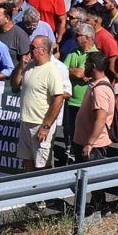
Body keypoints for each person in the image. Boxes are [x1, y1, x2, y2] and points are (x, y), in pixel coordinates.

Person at [18, 33, 73, 170]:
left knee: (42, 164)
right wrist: (20, 66)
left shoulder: (53, 71)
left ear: (43, 50)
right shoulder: (29, 66)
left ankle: (44, 190)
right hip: (26, 121)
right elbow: (14, 84)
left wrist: (46, 126)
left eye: (32, 47)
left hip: (40, 124)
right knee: (27, 161)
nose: (29, 50)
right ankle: (28, 189)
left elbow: (58, 100)